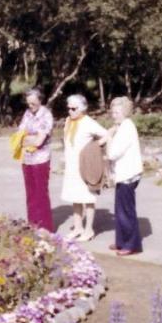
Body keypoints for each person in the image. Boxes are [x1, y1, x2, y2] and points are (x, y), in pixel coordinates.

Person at [101, 96, 145, 255]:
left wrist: (109, 138)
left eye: (117, 112)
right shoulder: (122, 126)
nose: (114, 115)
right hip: (124, 175)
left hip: (128, 175)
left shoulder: (127, 128)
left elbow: (113, 153)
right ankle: (121, 241)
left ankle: (131, 245)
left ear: (125, 112)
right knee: (120, 209)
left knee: (126, 211)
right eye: (112, 112)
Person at [61, 94, 107, 241]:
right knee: (75, 197)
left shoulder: (88, 122)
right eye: (68, 108)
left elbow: (106, 135)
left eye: (74, 108)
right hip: (71, 166)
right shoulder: (68, 121)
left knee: (88, 198)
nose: (70, 111)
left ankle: (89, 230)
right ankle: (78, 227)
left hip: (85, 166)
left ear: (82, 109)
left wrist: (95, 147)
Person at [16, 87, 55, 232]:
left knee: (41, 193)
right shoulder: (27, 113)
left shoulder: (46, 115)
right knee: (30, 193)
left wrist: (28, 139)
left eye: (33, 103)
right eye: (28, 103)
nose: (30, 106)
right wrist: (28, 138)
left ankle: (45, 227)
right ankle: (32, 224)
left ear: (40, 100)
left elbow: (39, 141)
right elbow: (19, 136)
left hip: (41, 159)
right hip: (27, 159)